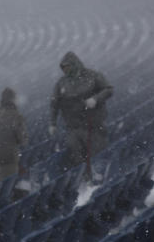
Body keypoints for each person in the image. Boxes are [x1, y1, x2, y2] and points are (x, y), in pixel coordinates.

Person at [49, 51, 114, 181]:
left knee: (96, 153)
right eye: (64, 67)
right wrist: (52, 123)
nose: (66, 70)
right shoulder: (61, 83)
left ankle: (97, 179)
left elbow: (108, 89)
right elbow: (54, 103)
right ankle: (82, 179)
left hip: (93, 124)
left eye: (68, 66)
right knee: (75, 153)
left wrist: (95, 99)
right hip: (73, 126)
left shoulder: (93, 76)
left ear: (75, 65)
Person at [0, 87, 28, 186]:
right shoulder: (16, 116)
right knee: (7, 187)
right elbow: (23, 141)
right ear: (13, 99)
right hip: (8, 158)